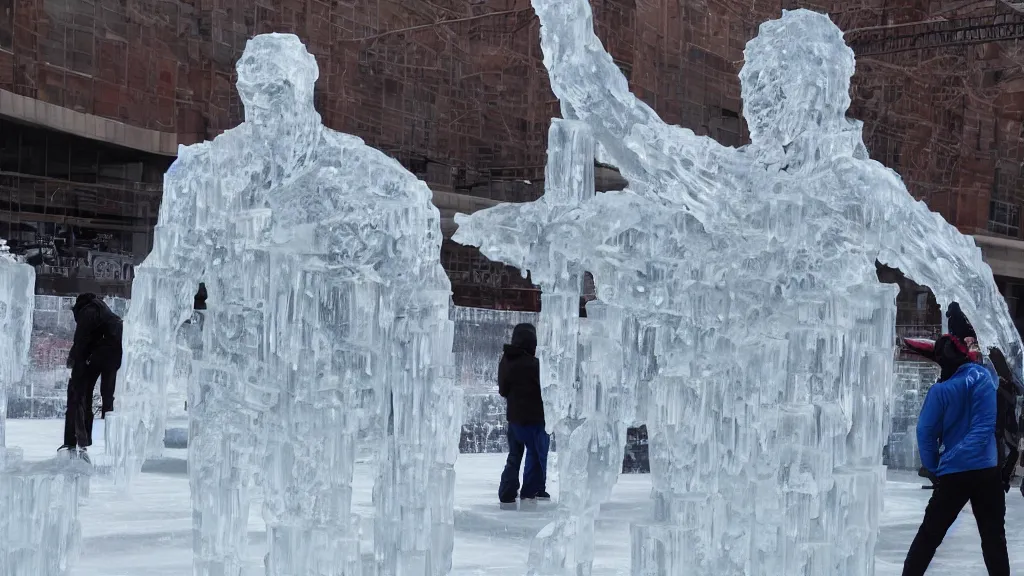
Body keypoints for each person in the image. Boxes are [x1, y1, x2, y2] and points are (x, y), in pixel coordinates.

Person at [902, 330, 1009, 576]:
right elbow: (984, 428)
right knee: (994, 540)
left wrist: (937, 466)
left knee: (928, 537)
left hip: (954, 474)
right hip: (986, 472)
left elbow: (925, 433)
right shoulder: (983, 378)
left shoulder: (940, 391)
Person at [61, 293, 123, 461]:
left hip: (101, 354)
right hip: (113, 355)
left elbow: (80, 340)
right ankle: (90, 438)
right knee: (104, 397)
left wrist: (73, 361)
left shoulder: (88, 311)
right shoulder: (102, 309)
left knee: (78, 393)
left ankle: (75, 442)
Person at [497, 323, 551, 506]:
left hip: (514, 419)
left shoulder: (505, 361)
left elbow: (503, 390)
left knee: (514, 456)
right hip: (535, 419)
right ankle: (530, 491)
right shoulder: (536, 365)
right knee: (535, 455)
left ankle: (507, 492)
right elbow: (546, 392)